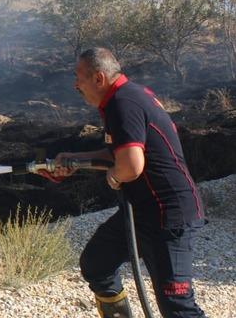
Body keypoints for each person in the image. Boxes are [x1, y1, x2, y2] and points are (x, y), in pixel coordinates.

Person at [41, 48, 206, 318]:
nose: (75, 85)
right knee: (97, 264)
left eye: (78, 77)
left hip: (169, 214)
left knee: (177, 307)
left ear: (98, 78)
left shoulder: (123, 103)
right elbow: (120, 152)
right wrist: (74, 160)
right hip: (144, 212)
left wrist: (116, 176)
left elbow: (131, 166)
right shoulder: (124, 97)